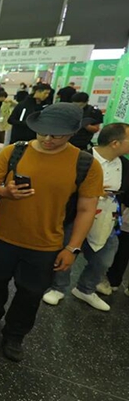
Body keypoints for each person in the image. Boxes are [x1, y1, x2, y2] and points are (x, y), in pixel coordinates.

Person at [0, 103, 103, 362]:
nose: (47, 139)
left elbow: (86, 209)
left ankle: (15, 334)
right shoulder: (15, 152)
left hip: (46, 243)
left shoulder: (85, 164)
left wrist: (72, 247)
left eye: (56, 135)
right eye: (43, 132)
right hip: (3, 236)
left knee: (31, 293)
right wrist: (5, 192)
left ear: (72, 132)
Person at [43, 123, 129, 311]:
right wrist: (93, 192)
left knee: (104, 259)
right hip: (76, 215)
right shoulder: (81, 158)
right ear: (115, 143)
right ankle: (58, 288)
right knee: (68, 251)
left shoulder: (124, 165)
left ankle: (86, 288)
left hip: (108, 218)